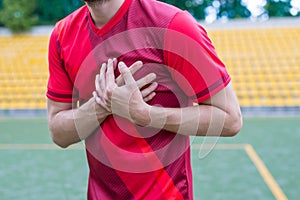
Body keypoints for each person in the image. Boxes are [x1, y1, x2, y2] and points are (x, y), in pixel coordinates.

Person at [46, 0, 243, 199]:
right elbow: (58, 133)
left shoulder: (171, 24)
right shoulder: (62, 35)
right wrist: (102, 105)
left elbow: (230, 119)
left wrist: (145, 114)